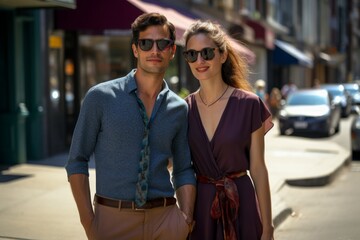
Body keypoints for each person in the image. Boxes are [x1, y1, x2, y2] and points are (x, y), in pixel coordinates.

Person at [65, 13, 196, 240]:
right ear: (136, 49)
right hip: (112, 222)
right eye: (146, 43)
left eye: (162, 44)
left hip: (166, 222)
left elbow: (183, 168)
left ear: (172, 51)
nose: (154, 51)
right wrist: (88, 222)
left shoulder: (178, 108)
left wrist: (185, 219)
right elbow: (77, 160)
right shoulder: (100, 98)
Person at [183, 20, 274, 240]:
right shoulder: (183, 109)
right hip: (201, 208)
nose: (200, 61)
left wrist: (268, 228)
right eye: (192, 55)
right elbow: (175, 165)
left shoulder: (249, 104)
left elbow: (259, 169)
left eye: (207, 53)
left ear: (222, 55)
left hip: (242, 204)